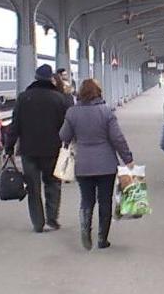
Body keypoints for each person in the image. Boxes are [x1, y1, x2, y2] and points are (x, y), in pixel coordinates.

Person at [59, 79, 134, 250]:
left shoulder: (72, 112)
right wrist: (128, 159)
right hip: (106, 165)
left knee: (86, 200)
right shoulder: (106, 111)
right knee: (105, 201)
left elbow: (64, 136)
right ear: (98, 92)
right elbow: (117, 138)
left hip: (83, 164)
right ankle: (102, 239)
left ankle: (85, 230)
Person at [5, 64, 72, 232]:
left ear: (35, 78)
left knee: (33, 187)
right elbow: (66, 125)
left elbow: (15, 125)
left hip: (29, 151)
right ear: (51, 79)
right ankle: (52, 218)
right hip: (53, 149)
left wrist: (9, 147)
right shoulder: (59, 99)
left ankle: (37, 222)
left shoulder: (23, 98)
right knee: (53, 183)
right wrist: (67, 143)